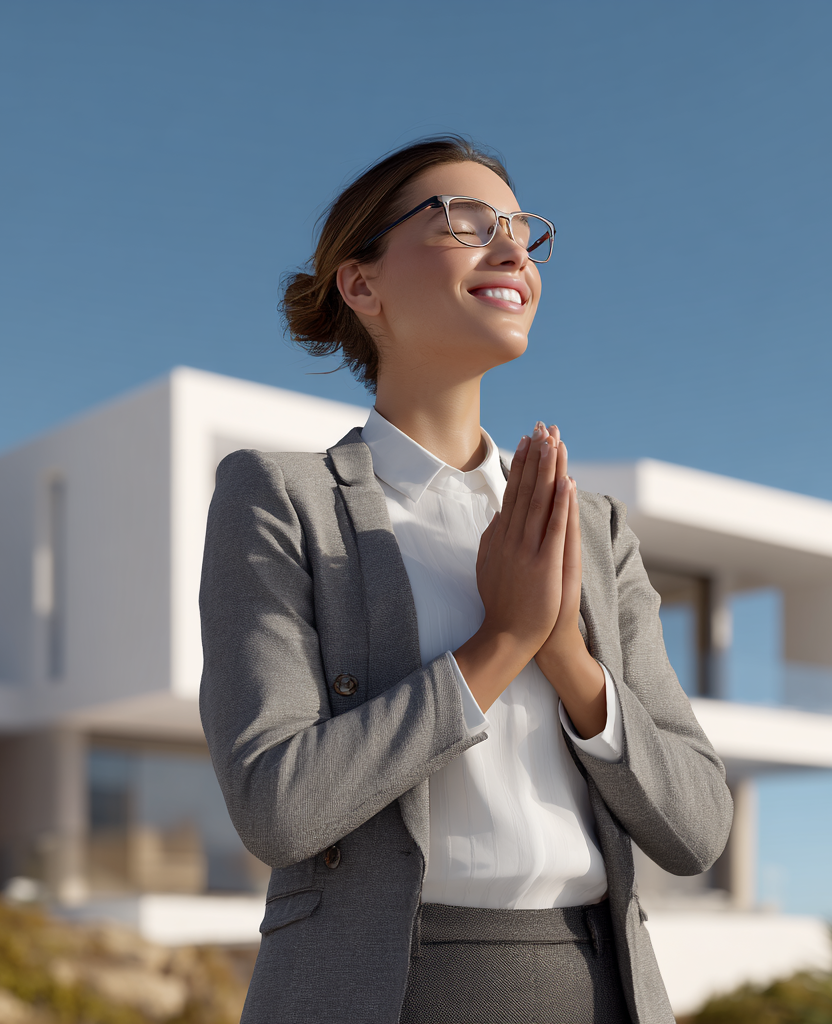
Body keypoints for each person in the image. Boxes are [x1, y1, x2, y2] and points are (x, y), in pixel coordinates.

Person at [199, 136, 733, 1024]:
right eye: (465, 221)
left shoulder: (592, 530)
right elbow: (279, 808)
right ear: (362, 285)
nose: (513, 250)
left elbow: (698, 829)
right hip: (382, 989)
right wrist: (503, 643)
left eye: (523, 230)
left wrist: (566, 657)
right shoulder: (280, 499)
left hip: (598, 986)